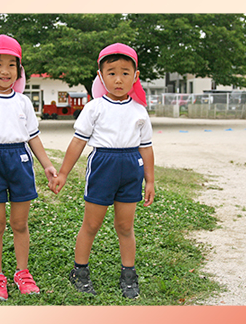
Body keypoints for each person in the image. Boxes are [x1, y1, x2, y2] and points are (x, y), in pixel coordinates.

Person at [48, 43, 155, 299]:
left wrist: (150, 180)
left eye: (125, 72)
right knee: (92, 224)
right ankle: (80, 271)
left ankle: (129, 275)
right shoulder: (94, 107)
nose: (119, 79)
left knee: (125, 226)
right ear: (100, 75)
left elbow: (147, 148)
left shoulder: (140, 111)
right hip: (103, 167)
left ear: (135, 76)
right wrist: (62, 173)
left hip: (131, 169)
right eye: (111, 72)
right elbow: (77, 142)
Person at [0, 35, 57, 301]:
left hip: (20, 161)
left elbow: (33, 137)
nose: (5, 71)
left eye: (12, 65)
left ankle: (22, 273)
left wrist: (47, 165)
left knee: (19, 223)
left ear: (19, 70)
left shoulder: (23, 102)